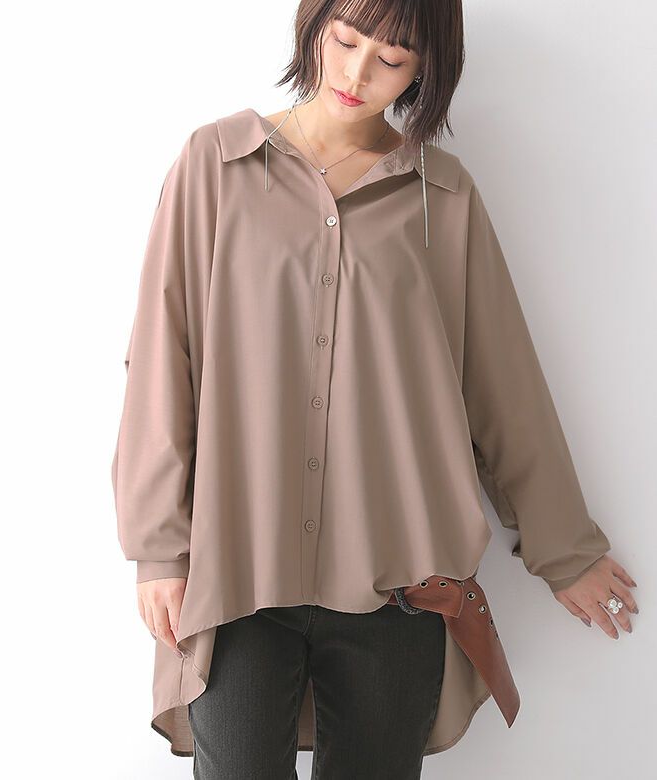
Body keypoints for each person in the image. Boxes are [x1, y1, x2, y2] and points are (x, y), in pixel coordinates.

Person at [111, 1, 639, 777]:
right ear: (314, 26)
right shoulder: (214, 166)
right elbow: (163, 360)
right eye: (346, 38)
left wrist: (566, 550)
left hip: (397, 585)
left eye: (391, 59)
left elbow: (502, 386)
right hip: (237, 576)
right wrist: (159, 549)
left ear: (427, 68)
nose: (358, 73)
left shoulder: (442, 198)